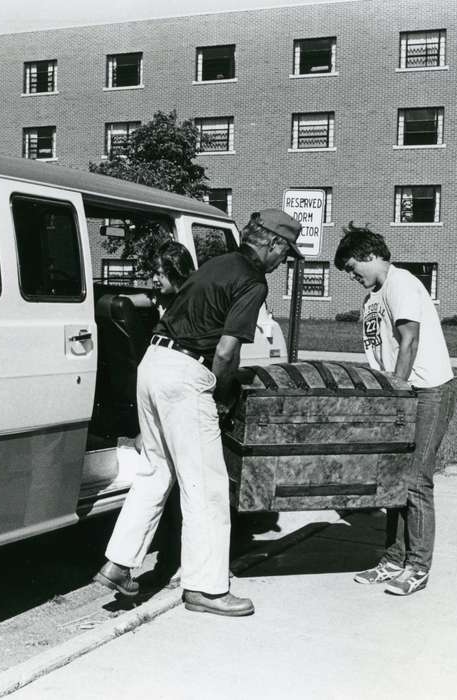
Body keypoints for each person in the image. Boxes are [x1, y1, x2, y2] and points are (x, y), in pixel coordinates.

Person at [93, 209, 303, 617]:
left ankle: (119, 563)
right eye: (285, 253)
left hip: (152, 362)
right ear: (273, 244)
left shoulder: (215, 264)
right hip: (186, 373)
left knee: (156, 471)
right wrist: (219, 391)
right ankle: (206, 588)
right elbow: (226, 351)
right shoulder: (252, 280)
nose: (283, 262)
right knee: (206, 485)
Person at [334, 223, 455, 596]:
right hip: (398, 392)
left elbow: (409, 340)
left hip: (425, 390)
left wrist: (397, 394)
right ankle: (392, 560)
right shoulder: (373, 296)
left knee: (416, 480)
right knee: (393, 481)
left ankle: (417, 567)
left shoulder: (400, 282)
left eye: (354, 267)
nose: (352, 276)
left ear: (371, 256)